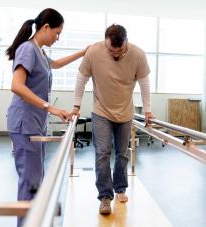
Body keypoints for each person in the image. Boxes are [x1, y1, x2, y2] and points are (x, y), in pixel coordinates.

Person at [5, 8, 87, 226]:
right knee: (29, 181)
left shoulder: (39, 52)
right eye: (57, 33)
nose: (57, 38)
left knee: (36, 178)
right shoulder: (27, 49)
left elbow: (57, 64)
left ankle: (35, 221)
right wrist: (50, 108)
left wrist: (83, 53)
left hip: (35, 123)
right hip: (25, 124)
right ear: (45, 27)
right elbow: (16, 86)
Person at [71, 24, 153, 215]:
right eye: (111, 51)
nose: (115, 55)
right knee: (102, 153)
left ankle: (120, 188)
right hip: (101, 111)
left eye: (119, 51)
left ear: (126, 42)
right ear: (105, 42)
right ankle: (105, 197)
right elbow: (81, 78)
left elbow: (144, 83)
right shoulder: (93, 52)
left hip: (125, 113)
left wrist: (148, 109)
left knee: (122, 153)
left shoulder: (138, 55)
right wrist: (76, 105)